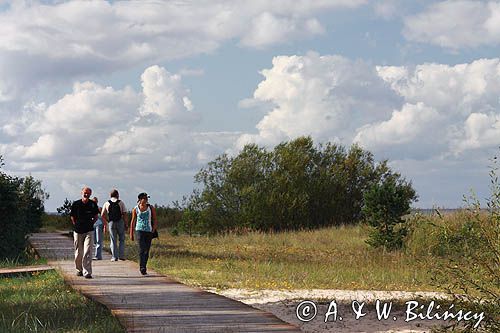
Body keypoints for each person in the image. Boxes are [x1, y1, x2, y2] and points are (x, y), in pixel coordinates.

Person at [70, 187, 99, 279]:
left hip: (89, 230)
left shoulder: (93, 204)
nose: (86, 194)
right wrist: (77, 224)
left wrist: (91, 223)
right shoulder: (76, 204)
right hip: (78, 230)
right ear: (81, 193)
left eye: (88, 193)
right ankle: (79, 270)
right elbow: (72, 217)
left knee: (88, 251)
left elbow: (96, 216)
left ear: (90, 194)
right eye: (85, 193)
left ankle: (87, 272)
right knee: (79, 252)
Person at [130, 192, 158, 275]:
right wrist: (131, 233)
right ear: (140, 199)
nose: (146, 200)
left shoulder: (151, 208)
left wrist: (153, 230)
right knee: (142, 249)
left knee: (147, 250)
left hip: (148, 231)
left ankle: (144, 266)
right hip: (139, 230)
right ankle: (142, 267)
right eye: (144, 198)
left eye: (147, 199)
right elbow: (133, 221)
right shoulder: (135, 209)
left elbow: (155, 219)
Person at [101, 189, 128, 261]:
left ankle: (114, 257)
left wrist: (107, 221)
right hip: (120, 222)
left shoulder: (107, 203)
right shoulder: (121, 202)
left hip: (111, 223)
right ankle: (121, 256)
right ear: (117, 195)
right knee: (122, 239)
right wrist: (126, 223)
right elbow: (124, 213)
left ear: (110, 195)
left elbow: (102, 215)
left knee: (113, 240)